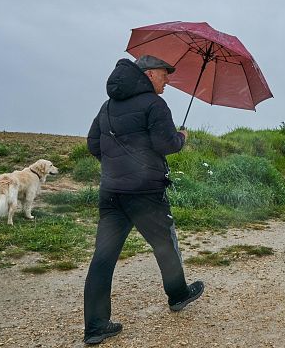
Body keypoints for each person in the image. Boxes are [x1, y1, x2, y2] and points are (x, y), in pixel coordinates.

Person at [83, 55, 204, 345]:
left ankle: (96, 326)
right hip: (147, 193)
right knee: (165, 244)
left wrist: (116, 166)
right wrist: (181, 137)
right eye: (165, 74)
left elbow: (93, 144)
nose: (168, 80)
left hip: (111, 192)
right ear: (149, 74)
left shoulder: (108, 106)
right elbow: (166, 144)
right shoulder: (154, 104)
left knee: (103, 257)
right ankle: (178, 295)